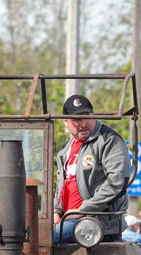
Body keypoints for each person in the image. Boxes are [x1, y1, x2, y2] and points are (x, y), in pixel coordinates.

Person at [53, 94, 132, 243]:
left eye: (87, 117)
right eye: (77, 119)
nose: (83, 123)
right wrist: (56, 211)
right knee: (30, 233)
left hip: (95, 222)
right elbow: (61, 187)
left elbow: (117, 183)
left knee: (45, 238)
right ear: (66, 121)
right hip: (67, 220)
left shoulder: (109, 140)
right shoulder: (65, 151)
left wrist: (83, 209)